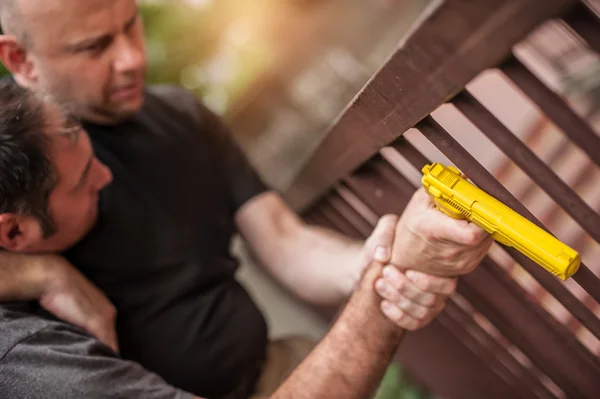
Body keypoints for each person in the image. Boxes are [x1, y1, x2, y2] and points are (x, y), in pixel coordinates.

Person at [0, 0, 493, 398]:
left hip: (283, 362)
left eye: (132, 24)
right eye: (94, 46)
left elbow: (282, 239)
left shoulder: (181, 113)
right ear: (20, 60)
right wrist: (36, 271)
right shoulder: (19, 172)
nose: (132, 57)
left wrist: (376, 262)